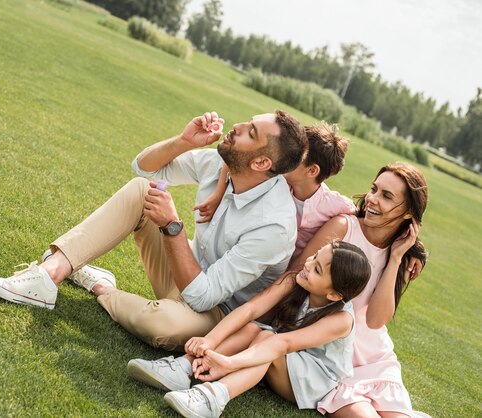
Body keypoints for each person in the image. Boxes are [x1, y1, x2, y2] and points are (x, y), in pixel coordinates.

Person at [0, 110, 308, 350]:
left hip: (221, 316)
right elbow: (144, 166)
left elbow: (205, 295)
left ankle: (102, 289)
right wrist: (183, 141)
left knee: (164, 325)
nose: (237, 126)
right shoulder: (222, 165)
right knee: (142, 189)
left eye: (250, 131)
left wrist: (172, 225)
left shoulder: (274, 226)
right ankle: (48, 276)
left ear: (262, 164)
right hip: (188, 276)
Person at [128, 241, 372, 417]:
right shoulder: (297, 279)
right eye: (315, 256)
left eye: (317, 269)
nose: (308, 264)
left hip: (312, 381)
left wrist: (229, 363)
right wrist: (209, 341)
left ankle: (214, 398)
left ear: (334, 294)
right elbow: (251, 309)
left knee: (267, 337)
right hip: (280, 353)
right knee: (254, 329)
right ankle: (182, 368)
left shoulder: (341, 320)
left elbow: (282, 344)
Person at [295, 163, 428, 417]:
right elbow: (296, 275)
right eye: (374, 189)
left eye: (386, 196)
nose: (372, 199)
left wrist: (397, 258)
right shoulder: (343, 227)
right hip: (334, 357)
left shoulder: (399, 253)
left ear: (409, 213)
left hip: (376, 360)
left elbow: (376, 320)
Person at [194, 122, 356, 261]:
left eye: (296, 156)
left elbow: (359, 218)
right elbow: (236, 158)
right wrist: (218, 194)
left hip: (294, 269)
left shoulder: (335, 204)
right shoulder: (276, 176)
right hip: (257, 255)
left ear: (312, 170)